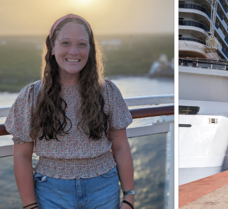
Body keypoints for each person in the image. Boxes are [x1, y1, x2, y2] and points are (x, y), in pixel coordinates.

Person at [5, 14, 135, 209]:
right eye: (65, 43)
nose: (74, 51)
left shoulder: (108, 92)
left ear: (90, 50)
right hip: (51, 194)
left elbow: (121, 147)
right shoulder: (31, 96)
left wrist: (129, 197)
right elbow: (22, 155)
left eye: (82, 44)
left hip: (104, 190)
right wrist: (30, 206)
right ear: (52, 48)